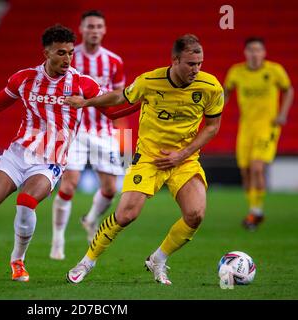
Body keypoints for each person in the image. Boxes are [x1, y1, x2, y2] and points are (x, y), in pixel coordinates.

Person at [0, 24, 138, 282]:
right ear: (46, 53)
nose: (67, 59)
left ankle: (17, 261)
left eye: (70, 53)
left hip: (50, 161)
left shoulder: (81, 84)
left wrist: (144, 100)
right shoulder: (24, 78)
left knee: (25, 203)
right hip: (19, 153)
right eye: (61, 53)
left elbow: (113, 111)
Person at [65, 34, 224, 285]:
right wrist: (86, 102)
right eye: (191, 64)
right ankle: (87, 261)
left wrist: (182, 154)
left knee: (195, 214)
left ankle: (158, 259)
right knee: (126, 215)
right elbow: (119, 97)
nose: (196, 69)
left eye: (200, 63)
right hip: (148, 157)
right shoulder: (150, 81)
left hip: (184, 159)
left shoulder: (211, 86)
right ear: (174, 60)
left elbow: (212, 127)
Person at [50, 10, 126, 261]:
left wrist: (125, 141)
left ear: (104, 30)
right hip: (74, 130)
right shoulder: (68, 56)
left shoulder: (114, 62)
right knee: (69, 184)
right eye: (90, 26)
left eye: (99, 26)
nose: (94, 30)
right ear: (82, 29)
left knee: (111, 188)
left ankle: (90, 219)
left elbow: (120, 100)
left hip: (104, 131)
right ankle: (57, 240)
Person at [224, 37, 294, 231]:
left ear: (264, 53)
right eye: (251, 50)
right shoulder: (236, 72)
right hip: (245, 127)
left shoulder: (274, 70)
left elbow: (288, 90)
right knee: (245, 171)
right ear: (245, 53)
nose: (254, 54)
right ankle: (254, 210)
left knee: (256, 167)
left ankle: (256, 211)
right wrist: (217, 109)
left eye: (258, 50)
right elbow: (226, 92)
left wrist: (282, 114)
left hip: (267, 126)